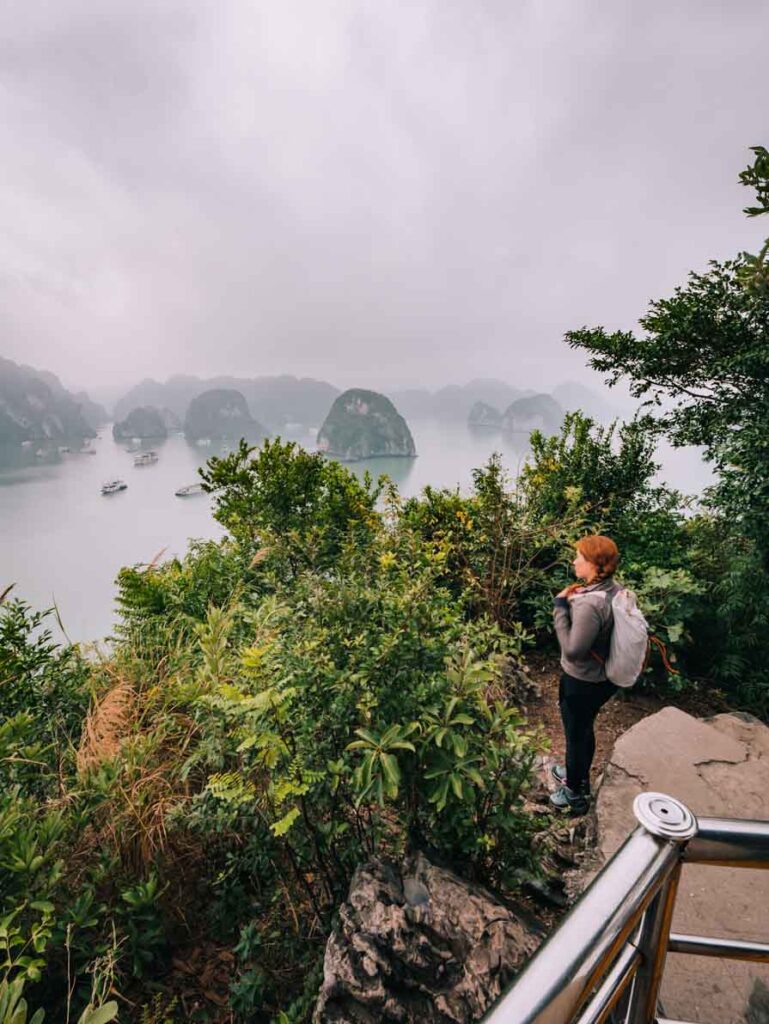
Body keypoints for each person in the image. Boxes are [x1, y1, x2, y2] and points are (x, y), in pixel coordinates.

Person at [549, 535, 621, 815]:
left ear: (593, 564)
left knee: (575, 735)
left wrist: (560, 609)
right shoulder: (612, 590)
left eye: (579, 556)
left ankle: (574, 793)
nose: (574, 561)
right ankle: (577, 774)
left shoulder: (590, 604)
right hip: (602, 679)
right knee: (583, 729)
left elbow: (573, 650)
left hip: (582, 682)